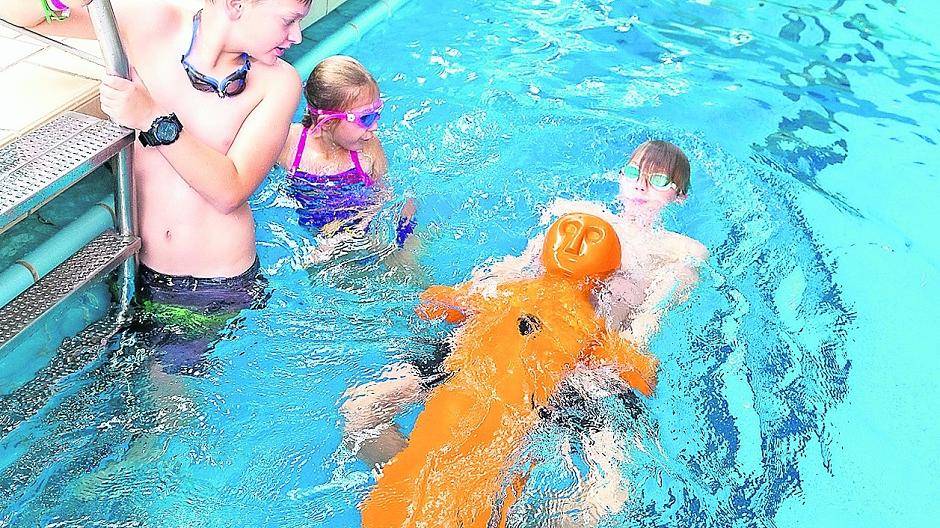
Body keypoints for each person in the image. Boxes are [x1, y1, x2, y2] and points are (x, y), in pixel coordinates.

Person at [341, 140, 707, 520]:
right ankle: (425, 491)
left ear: (678, 196)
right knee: (361, 413)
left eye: (658, 179)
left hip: (580, 372)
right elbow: (515, 270)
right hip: (499, 343)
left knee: (607, 496)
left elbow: (649, 321)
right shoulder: (574, 215)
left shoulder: (679, 253)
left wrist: (600, 363)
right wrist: (474, 301)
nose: (640, 186)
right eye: (633, 173)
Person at [0, 0, 310, 369]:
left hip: (212, 289)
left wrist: (153, 118)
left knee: (166, 406)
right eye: (288, 21)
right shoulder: (151, 21)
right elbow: (20, 16)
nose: (297, 36)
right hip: (136, 269)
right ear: (237, 3)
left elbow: (231, 189)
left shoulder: (279, 82)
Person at [360, 213, 658, 528]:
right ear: (606, 280)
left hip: (471, 385)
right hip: (522, 406)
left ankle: (412, 478)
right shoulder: (589, 327)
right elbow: (644, 375)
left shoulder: (503, 292)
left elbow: (432, 303)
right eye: (571, 232)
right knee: (607, 494)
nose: (576, 241)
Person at [276, 55, 416, 264]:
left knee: (405, 263)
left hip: (365, 232)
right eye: (366, 118)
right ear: (326, 121)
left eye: (377, 113)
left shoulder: (368, 148)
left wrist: (346, 234)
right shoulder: (288, 144)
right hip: (322, 241)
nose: (375, 126)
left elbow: (386, 199)